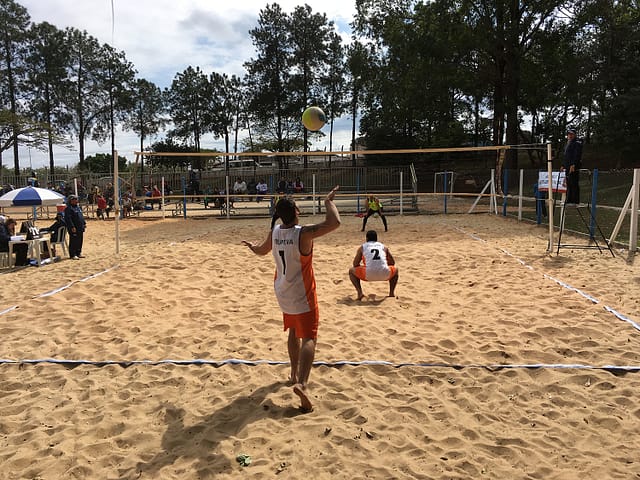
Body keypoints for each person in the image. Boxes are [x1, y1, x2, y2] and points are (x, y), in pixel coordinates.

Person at [242, 186, 341, 413]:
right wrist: (328, 202)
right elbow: (335, 222)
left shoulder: (276, 231)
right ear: (296, 211)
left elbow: (261, 251)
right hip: (302, 292)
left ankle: (293, 373)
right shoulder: (302, 233)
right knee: (309, 337)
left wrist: (251, 247)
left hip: (283, 291)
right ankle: (302, 384)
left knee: (293, 331)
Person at [349, 230, 399, 301]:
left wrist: (364, 266)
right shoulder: (383, 247)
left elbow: (355, 264)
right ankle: (391, 293)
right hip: (385, 274)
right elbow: (392, 263)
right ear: (376, 238)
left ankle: (360, 293)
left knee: (351, 271)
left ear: (367, 238)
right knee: (396, 269)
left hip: (368, 275)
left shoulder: (362, 247)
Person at [563, 127, 583, 204]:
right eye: (569, 134)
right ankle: (569, 199)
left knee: (574, 182)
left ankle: (575, 200)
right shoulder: (568, 144)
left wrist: (574, 164)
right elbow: (566, 156)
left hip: (573, 166)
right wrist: (563, 165)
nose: (570, 136)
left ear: (575, 135)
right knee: (568, 183)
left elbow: (577, 155)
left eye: (571, 134)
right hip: (567, 166)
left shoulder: (577, 143)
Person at [65, 194, 86, 260]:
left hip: (80, 227)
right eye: (75, 199)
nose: (76, 200)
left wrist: (84, 223)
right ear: (71, 201)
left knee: (80, 240)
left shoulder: (78, 207)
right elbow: (68, 219)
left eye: (76, 199)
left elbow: (81, 216)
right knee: (74, 241)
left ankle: (78, 253)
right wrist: (72, 227)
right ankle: (73, 254)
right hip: (74, 228)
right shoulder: (68, 209)